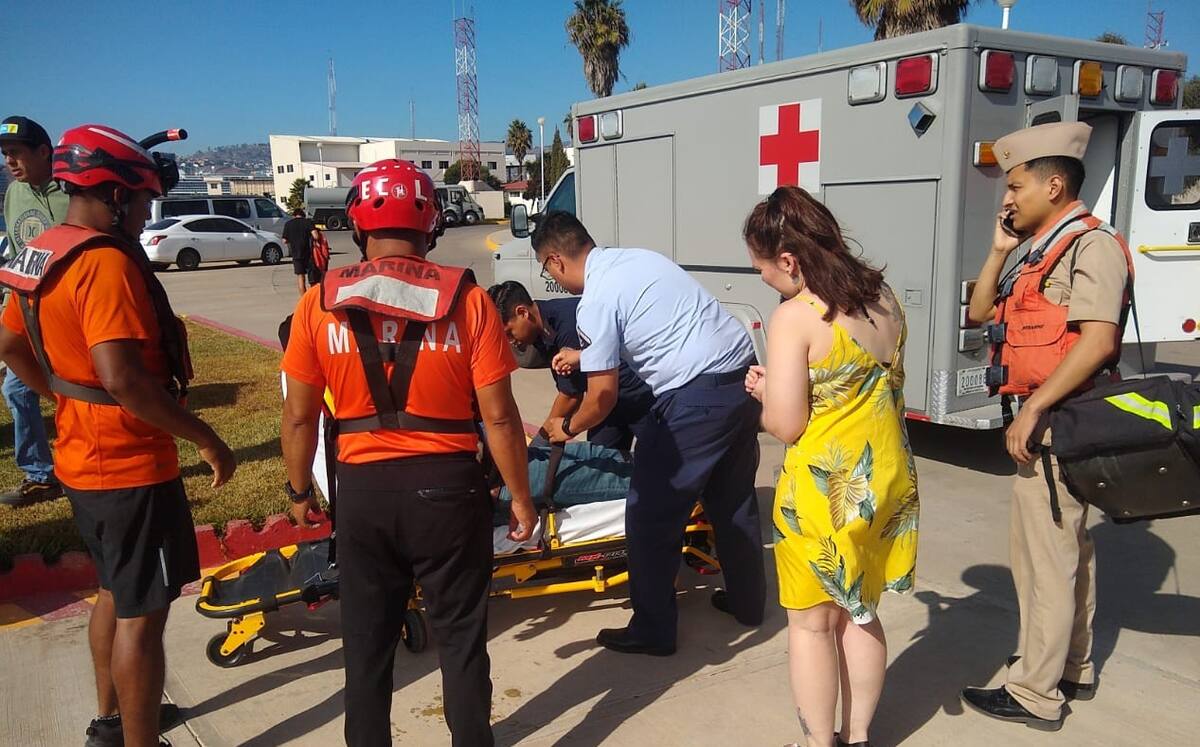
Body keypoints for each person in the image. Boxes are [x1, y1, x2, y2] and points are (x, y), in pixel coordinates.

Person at [280, 158, 535, 746]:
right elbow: (499, 416)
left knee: (367, 648)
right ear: (432, 225)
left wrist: (298, 490)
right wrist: (521, 497)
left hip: (363, 493)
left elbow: (298, 415)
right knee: (462, 641)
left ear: (356, 225)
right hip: (449, 491)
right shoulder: (471, 301)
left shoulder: (318, 303)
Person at [0, 124, 236, 747]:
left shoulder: (42, 250)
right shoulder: (105, 264)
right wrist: (205, 438)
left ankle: (113, 720)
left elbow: (9, 343)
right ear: (113, 194)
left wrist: (61, 394)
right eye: (141, 201)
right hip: (130, 469)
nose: (143, 215)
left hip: (81, 461)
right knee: (143, 616)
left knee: (112, 592)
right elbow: (124, 378)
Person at [960, 122, 1134, 731]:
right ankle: (1071, 666)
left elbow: (1098, 341)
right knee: (1067, 552)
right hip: (1052, 421)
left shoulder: (1092, 246)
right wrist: (999, 250)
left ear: (1053, 185)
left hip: (1060, 422)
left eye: (1016, 187)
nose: (1007, 199)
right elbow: (980, 311)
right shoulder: (1040, 250)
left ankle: (1035, 690)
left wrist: (1034, 410)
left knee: (1045, 561)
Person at [534, 211, 766, 656]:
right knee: (733, 501)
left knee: (648, 514)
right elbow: (654, 330)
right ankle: (748, 604)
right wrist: (582, 357)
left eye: (548, 270)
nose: (554, 280)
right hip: (742, 380)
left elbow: (602, 398)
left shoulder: (595, 300)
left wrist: (566, 428)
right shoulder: (638, 260)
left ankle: (653, 630)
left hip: (694, 400)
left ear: (556, 260)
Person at [742, 186, 919, 747]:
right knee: (860, 611)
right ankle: (858, 736)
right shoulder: (882, 297)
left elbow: (787, 424)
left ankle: (820, 743)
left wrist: (767, 394)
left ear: (788, 260)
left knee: (813, 625)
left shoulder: (796, 317)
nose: (763, 279)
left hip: (826, 492)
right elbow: (856, 387)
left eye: (762, 269)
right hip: (885, 480)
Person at [486, 280, 655, 452]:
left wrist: (543, 438)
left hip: (639, 396)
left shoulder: (567, 324)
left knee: (659, 459)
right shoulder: (540, 331)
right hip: (606, 401)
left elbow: (571, 396)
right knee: (600, 457)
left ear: (522, 312)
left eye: (509, 333)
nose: (510, 341)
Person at [0, 115, 65, 505]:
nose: (9, 162)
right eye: (5, 154)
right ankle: (40, 475)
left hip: (65, 311)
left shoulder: (72, 191)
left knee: (86, 387)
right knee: (16, 389)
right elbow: (16, 252)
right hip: (25, 310)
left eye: (16, 153)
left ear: (43, 152)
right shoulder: (13, 193)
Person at [282, 207, 321, 294]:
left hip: (296, 255)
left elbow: (284, 240)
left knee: (301, 277)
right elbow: (316, 236)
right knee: (313, 280)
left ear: (294, 215)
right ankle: (313, 297)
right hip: (309, 254)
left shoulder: (288, 224)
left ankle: (303, 299)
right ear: (303, 215)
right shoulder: (307, 222)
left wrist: (292, 239)